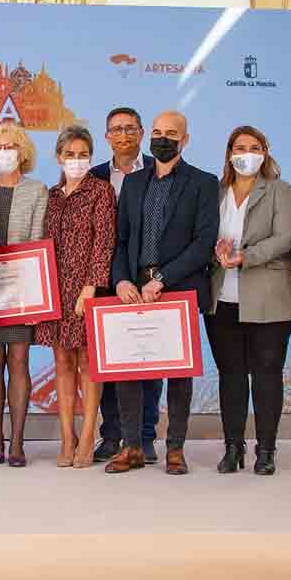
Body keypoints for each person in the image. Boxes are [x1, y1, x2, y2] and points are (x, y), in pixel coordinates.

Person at [105, 110, 219, 476]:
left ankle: (175, 448)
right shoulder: (134, 183)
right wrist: (122, 280)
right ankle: (132, 446)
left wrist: (163, 280)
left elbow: (203, 244)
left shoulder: (203, 182)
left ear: (184, 140)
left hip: (178, 288)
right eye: (156, 132)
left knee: (178, 374)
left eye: (171, 133)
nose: (162, 138)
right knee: (128, 370)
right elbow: (120, 239)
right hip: (134, 290)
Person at [204, 126, 291, 476]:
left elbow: (285, 237)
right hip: (222, 299)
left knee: (266, 374)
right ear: (229, 152)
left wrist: (246, 255)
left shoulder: (279, 191)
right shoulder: (215, 193)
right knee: (230, 375)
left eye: (254, 147)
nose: (247, 153)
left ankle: (267, 449)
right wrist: (216, 252)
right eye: (240, 147)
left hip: (269, 298)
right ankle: (233, 447)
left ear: (265, 152)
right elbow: (203, 235)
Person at [34, 125, 116, 467]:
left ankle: (87, 438)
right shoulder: (51, 196)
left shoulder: (101, 191)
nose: (77, 161)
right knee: (62, 364)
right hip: (54, 291)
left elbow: (104, 242)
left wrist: (90, 287)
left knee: (88, 365)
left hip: (86, 290)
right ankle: (66, 438)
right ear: (58, 157)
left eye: (83, 155)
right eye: (70, 154)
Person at [89, 106, 161, 463]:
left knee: (150, 359)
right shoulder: (95, 175)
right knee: (111, 362)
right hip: (105, 281)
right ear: (106, 136)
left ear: (142, 132)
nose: (123, 135)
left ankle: (145, 436)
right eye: (116, 129)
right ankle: (112, 435)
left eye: (130, 128)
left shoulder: (159, 171)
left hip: (149, 280)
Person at [0, 121, 48, 467]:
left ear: (23, 153)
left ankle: (18, 442)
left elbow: (36, 242)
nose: (3, 153)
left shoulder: (37, 190)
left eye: (10, 147)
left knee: (18, 360)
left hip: (22, 288)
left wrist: (32, 291)